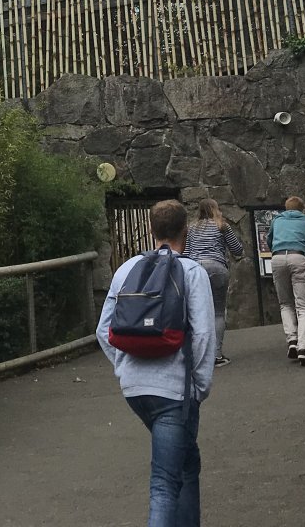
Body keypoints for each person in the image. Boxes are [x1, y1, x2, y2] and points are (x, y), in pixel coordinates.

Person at [97, 199, 216, 527]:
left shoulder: (126, 270)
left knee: (187, 462)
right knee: (164, 483)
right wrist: (199, 386)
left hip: (135, 390)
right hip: (174, 393)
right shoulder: (192, 272)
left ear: (151, 230)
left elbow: (103, 330)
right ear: (185, 231)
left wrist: (123, 367)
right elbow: (203, 335)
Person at [268, 196, 305, 367]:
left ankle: (292, 340)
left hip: (277, 258)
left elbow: (270, 240)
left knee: (285, 303)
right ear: (302, 209)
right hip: (299, 257)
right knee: (304, 307)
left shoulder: (277, 221)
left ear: (286, 208)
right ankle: (303, 348)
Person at [184, 197, 244, 365]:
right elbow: (237, 249)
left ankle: (197, 355)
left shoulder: (191, 228)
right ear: (215, 209)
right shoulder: (222, 226)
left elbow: (186, 253)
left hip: (195, 270)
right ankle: (216, 355)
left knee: (196, 311)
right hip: (217, 268)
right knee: (218, 312)